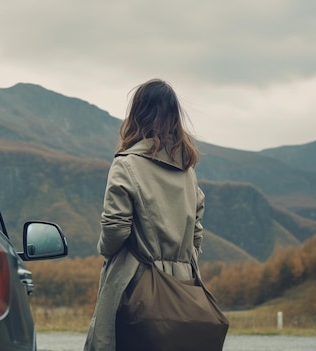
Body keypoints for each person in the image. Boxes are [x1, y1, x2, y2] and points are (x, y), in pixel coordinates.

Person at [83, 78, 205, 351]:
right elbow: (197, 233)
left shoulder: (126, 165)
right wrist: (182, 261)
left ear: (137, 115)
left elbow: (115, 231)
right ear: (175, 118)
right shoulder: (188, 171)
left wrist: (104, 249)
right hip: (183, 283)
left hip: (136, 282)